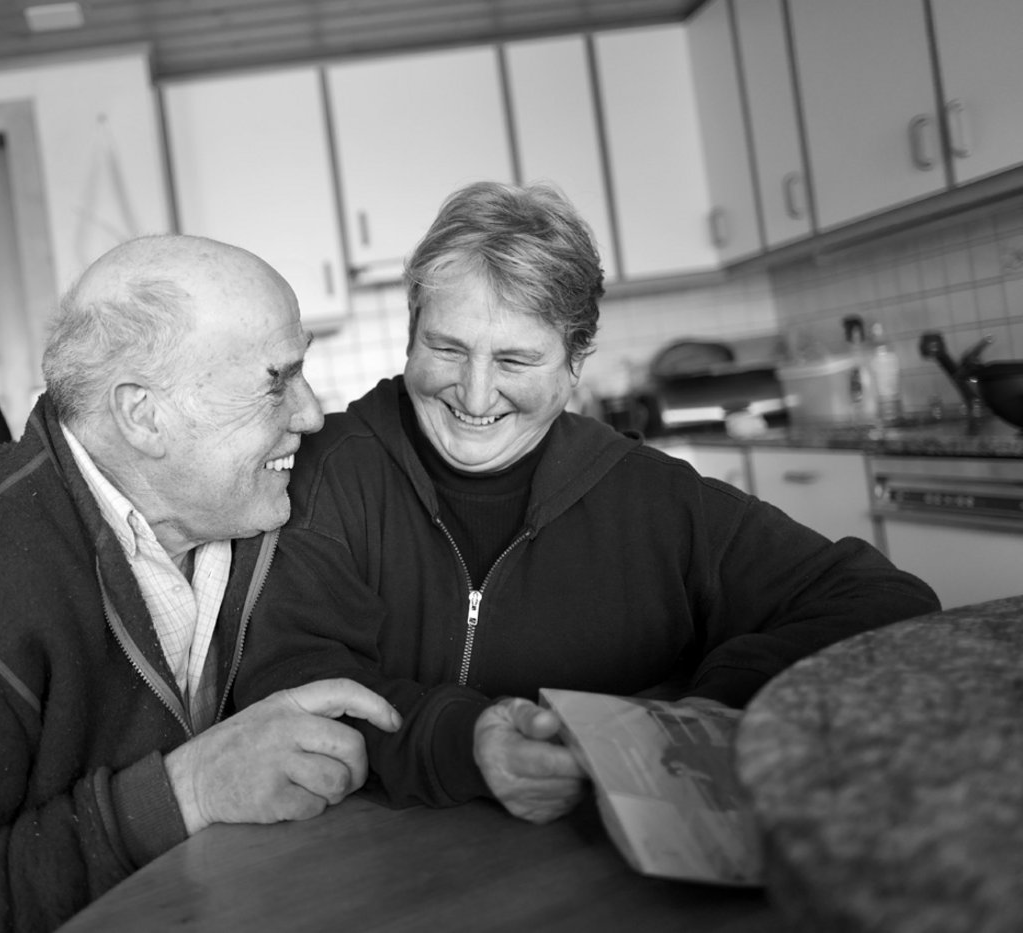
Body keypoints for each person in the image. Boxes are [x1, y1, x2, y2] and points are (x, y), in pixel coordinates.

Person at [0, 234, 401, 933]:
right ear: (144, 415)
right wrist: (187, 790)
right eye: (276, 380)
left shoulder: (255, 506)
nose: (310, 412)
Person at [234, 181, 940, 826]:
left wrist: (701, 713)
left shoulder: (650, 495)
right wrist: (467, 741)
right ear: (411, 331)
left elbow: (880, 601)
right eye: (447, 349)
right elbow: (285, 676)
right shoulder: (329, 468)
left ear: (576, 363)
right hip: (367, 863)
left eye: (515, 361)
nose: (475, 396)